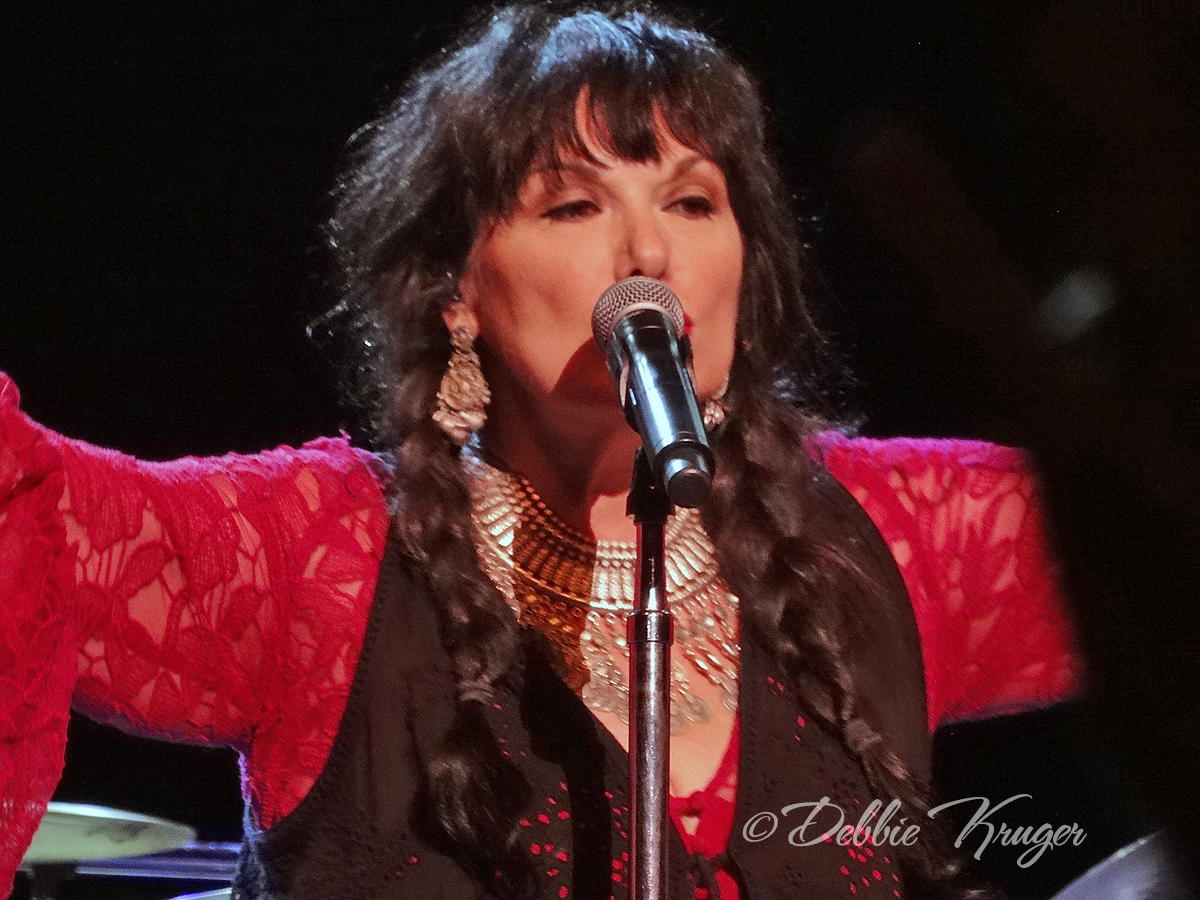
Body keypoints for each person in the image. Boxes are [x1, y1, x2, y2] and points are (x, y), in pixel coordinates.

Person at [0, 5, 1078, 899]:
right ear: (457, 291)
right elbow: (31, 512)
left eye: (693, 201)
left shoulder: (898, 538)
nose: (649, 250)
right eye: (572, 204)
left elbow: (1139, 505)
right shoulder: (314, 567)